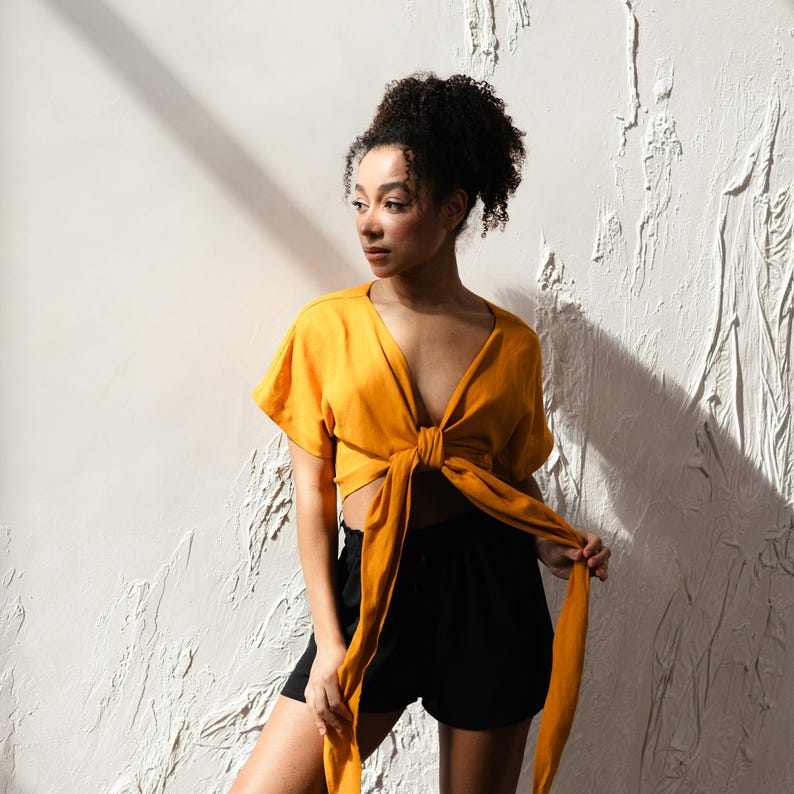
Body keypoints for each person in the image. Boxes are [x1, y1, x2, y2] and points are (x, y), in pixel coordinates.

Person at [231, 73, 611, 794]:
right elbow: (311, 501)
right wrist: (329, 645)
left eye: (394, 204)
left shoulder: (512, 345)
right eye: (361, 203)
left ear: (452, 208)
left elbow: (508, 476)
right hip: (372, 585)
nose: (368, 223)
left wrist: (553, 541)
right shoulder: (326, 328)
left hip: (490, 589)